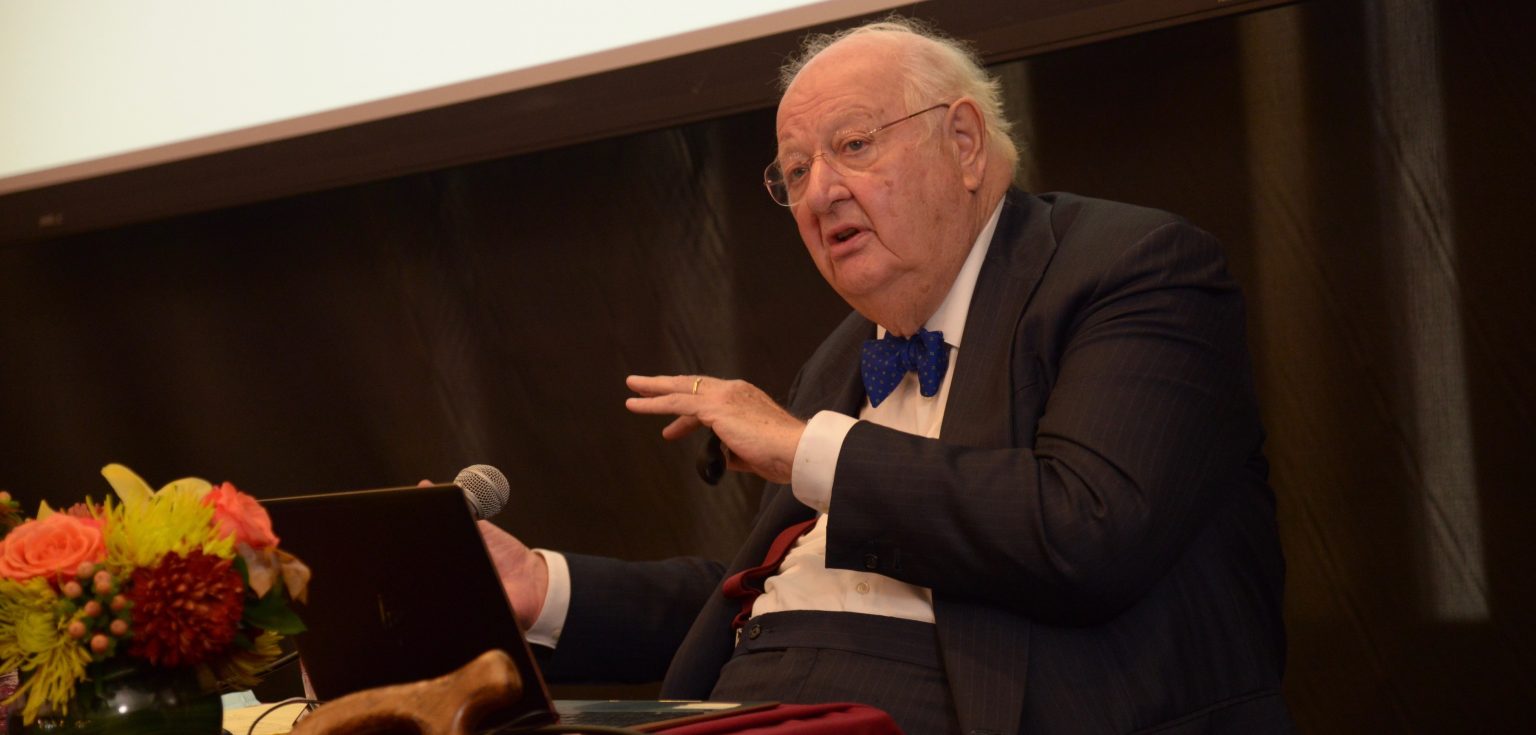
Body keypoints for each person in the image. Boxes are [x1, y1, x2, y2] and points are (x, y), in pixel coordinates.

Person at [478, 17, 1290, 734]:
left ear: (964, 144)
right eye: (794, 173)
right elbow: (763, 587)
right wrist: (544, 587)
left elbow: (1087, 527)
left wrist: (807, 450)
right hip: (747, 702)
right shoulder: (841, 356)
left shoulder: (1134, 270)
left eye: (854, 145)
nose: (821, 191)